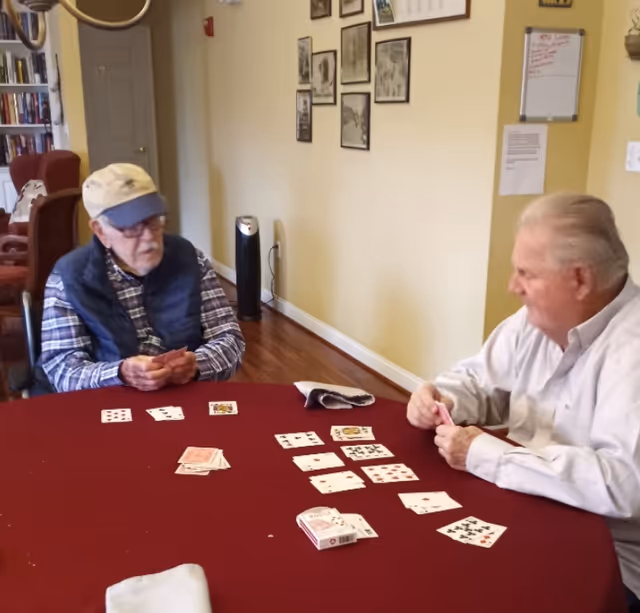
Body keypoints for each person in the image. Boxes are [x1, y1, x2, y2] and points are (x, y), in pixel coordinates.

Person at [407, 193, 640, 609]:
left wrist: (485, 454)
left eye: (526, 273)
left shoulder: (632, 350)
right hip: (522, 509)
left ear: (581, 280)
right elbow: (479, 380)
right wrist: (442, 398)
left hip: (612, 566)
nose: (512, 287)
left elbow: (621, 485)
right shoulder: (535, 320)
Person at [37, 163, 245, 394]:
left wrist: (197, 364)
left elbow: (230, 340)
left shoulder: (190, 259)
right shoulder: (68, 277)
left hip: (186, 396)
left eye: (153, 220)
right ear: (100, 231)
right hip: (109, 403)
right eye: (131, 227)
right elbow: (61, 369)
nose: (149, 237)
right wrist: (121, 373)